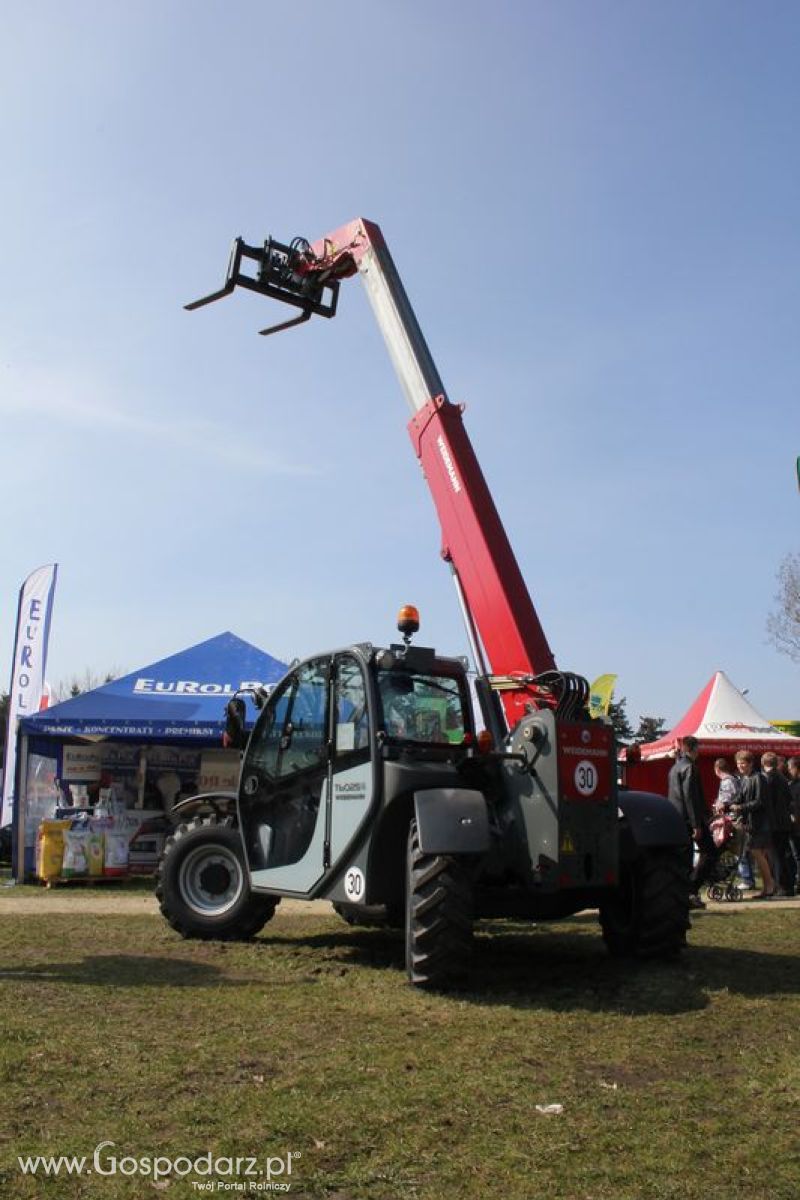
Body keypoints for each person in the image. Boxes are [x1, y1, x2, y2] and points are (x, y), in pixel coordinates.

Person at [667, 735, 716, 909]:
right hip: (690, 818)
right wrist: (696, 824)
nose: (699, 752)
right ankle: (691, 890)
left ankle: (683, 893)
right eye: (698, 748)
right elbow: (690, 797)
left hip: (677, 817)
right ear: (692, 749)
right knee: (710, 852)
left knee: (684, 858)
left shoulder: (674, 768)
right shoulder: (690, 768)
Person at [733, 750, 775, 898]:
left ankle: (769, 887)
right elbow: (738, 798)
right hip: (752, 823)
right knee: (758, 854)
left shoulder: (759, 778)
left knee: (757, 853)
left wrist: (740, 807)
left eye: (743, 763)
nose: (740, 766)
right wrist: (726, 804)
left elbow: (759, 802)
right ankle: (768, 887)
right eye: (738, 763)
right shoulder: (744, 779)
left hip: (761, 823)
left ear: (751, 763)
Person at [713, 756, 754, 889]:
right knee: (740, 849)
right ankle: (747, 878)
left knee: (738, 849)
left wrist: (718, 805)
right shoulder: (734, 779)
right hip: (735, 818)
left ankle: (747, 879)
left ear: (717, 769)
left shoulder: (726, 782)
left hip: (733, 820)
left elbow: (726, 800)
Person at [760, 752, 795, 897]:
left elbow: (767, 803)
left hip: (774, 823)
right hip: (784, 822)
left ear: (763, 763)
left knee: (776, 856)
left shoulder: (768, 779)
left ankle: (781, 887)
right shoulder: (783, 778)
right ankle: (788, 886)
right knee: (783, 855)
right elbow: (789, 800)